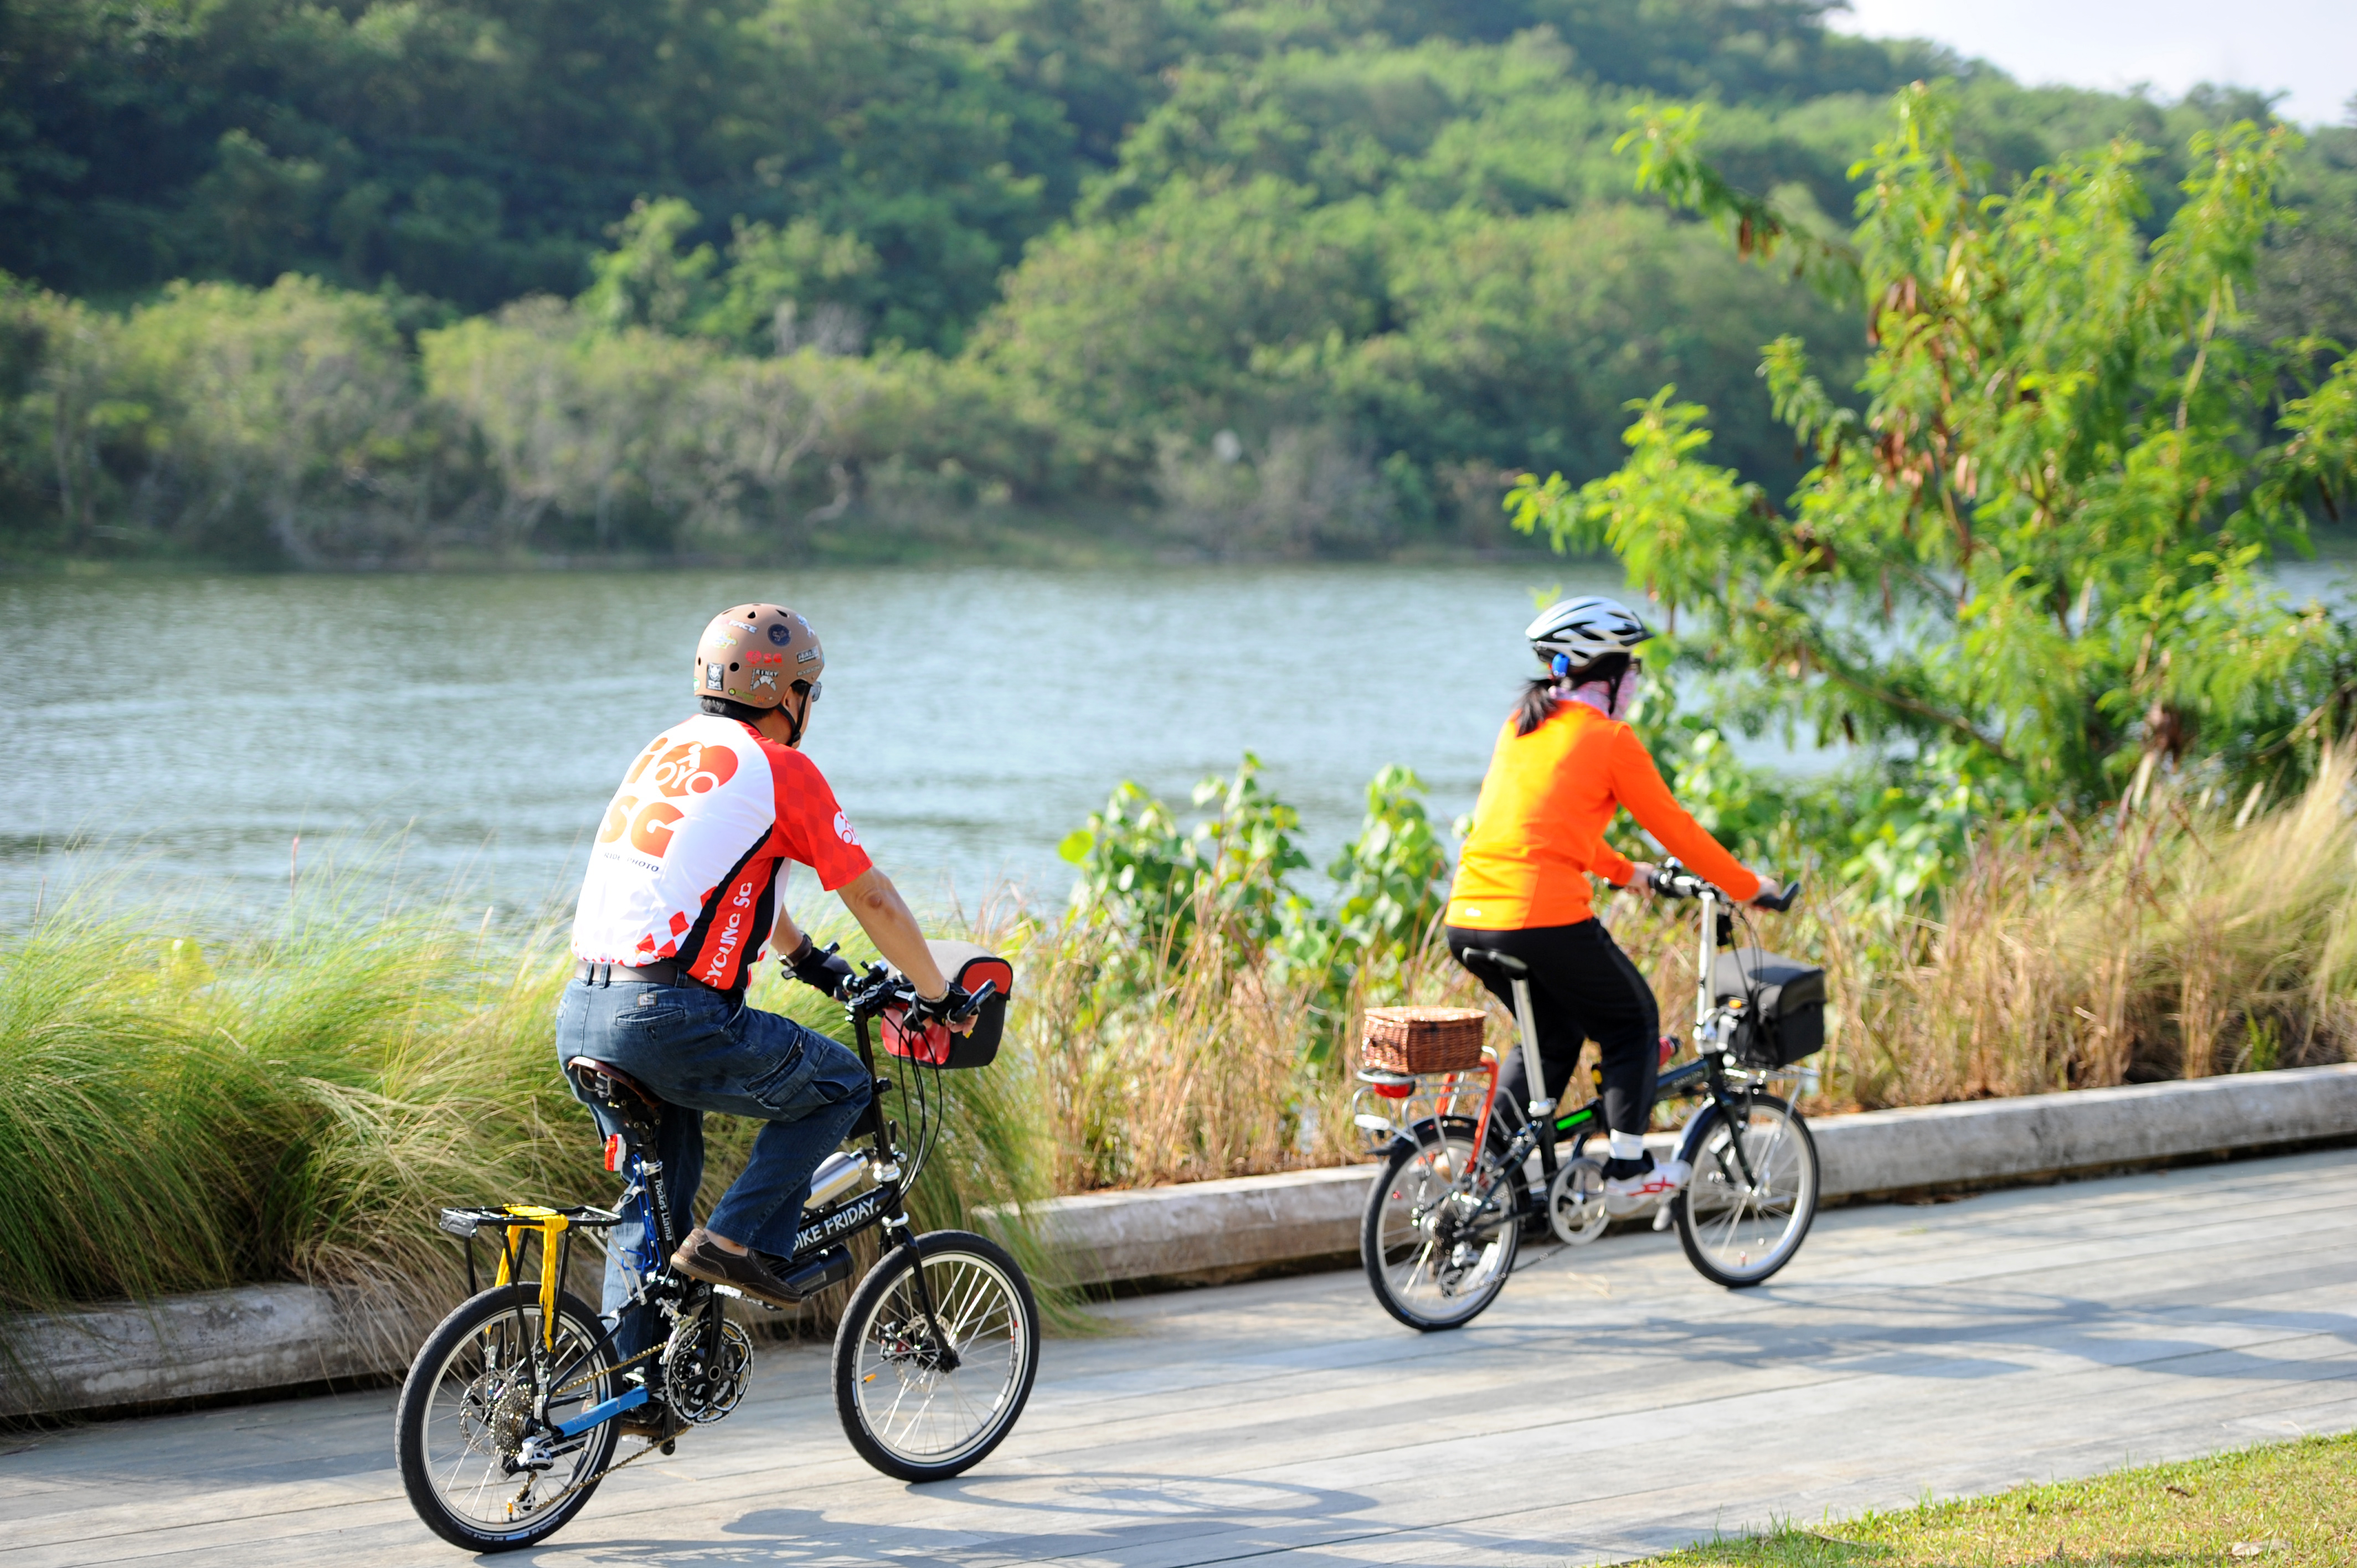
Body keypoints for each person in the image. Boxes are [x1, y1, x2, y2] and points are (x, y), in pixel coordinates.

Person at [555, 602, 972, 1388]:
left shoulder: (669, 752)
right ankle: (740, 1243)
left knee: (657, 1198)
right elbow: (872, 897)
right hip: (669, 1018)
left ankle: (637, 1385)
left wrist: (813, 960)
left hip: (582, 1012)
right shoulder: (782, 769)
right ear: (791, 695)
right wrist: (936, 992)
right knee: (842, 1086)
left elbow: (733, 889)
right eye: (812, 691)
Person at [1443, 595, 1782, 1208]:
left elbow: (1537, 829)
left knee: (1550, 1037)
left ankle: (1484, 1176)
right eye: (1631, 669)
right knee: (1631, 1022)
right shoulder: (1608, 739)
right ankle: (1628, 1168)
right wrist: (1748, 887)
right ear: (1606, 674)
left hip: (1468, 919)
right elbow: (1677, 830)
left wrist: (1629, 874)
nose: (1634, 682)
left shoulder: (1521, 729)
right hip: (1538, 919)